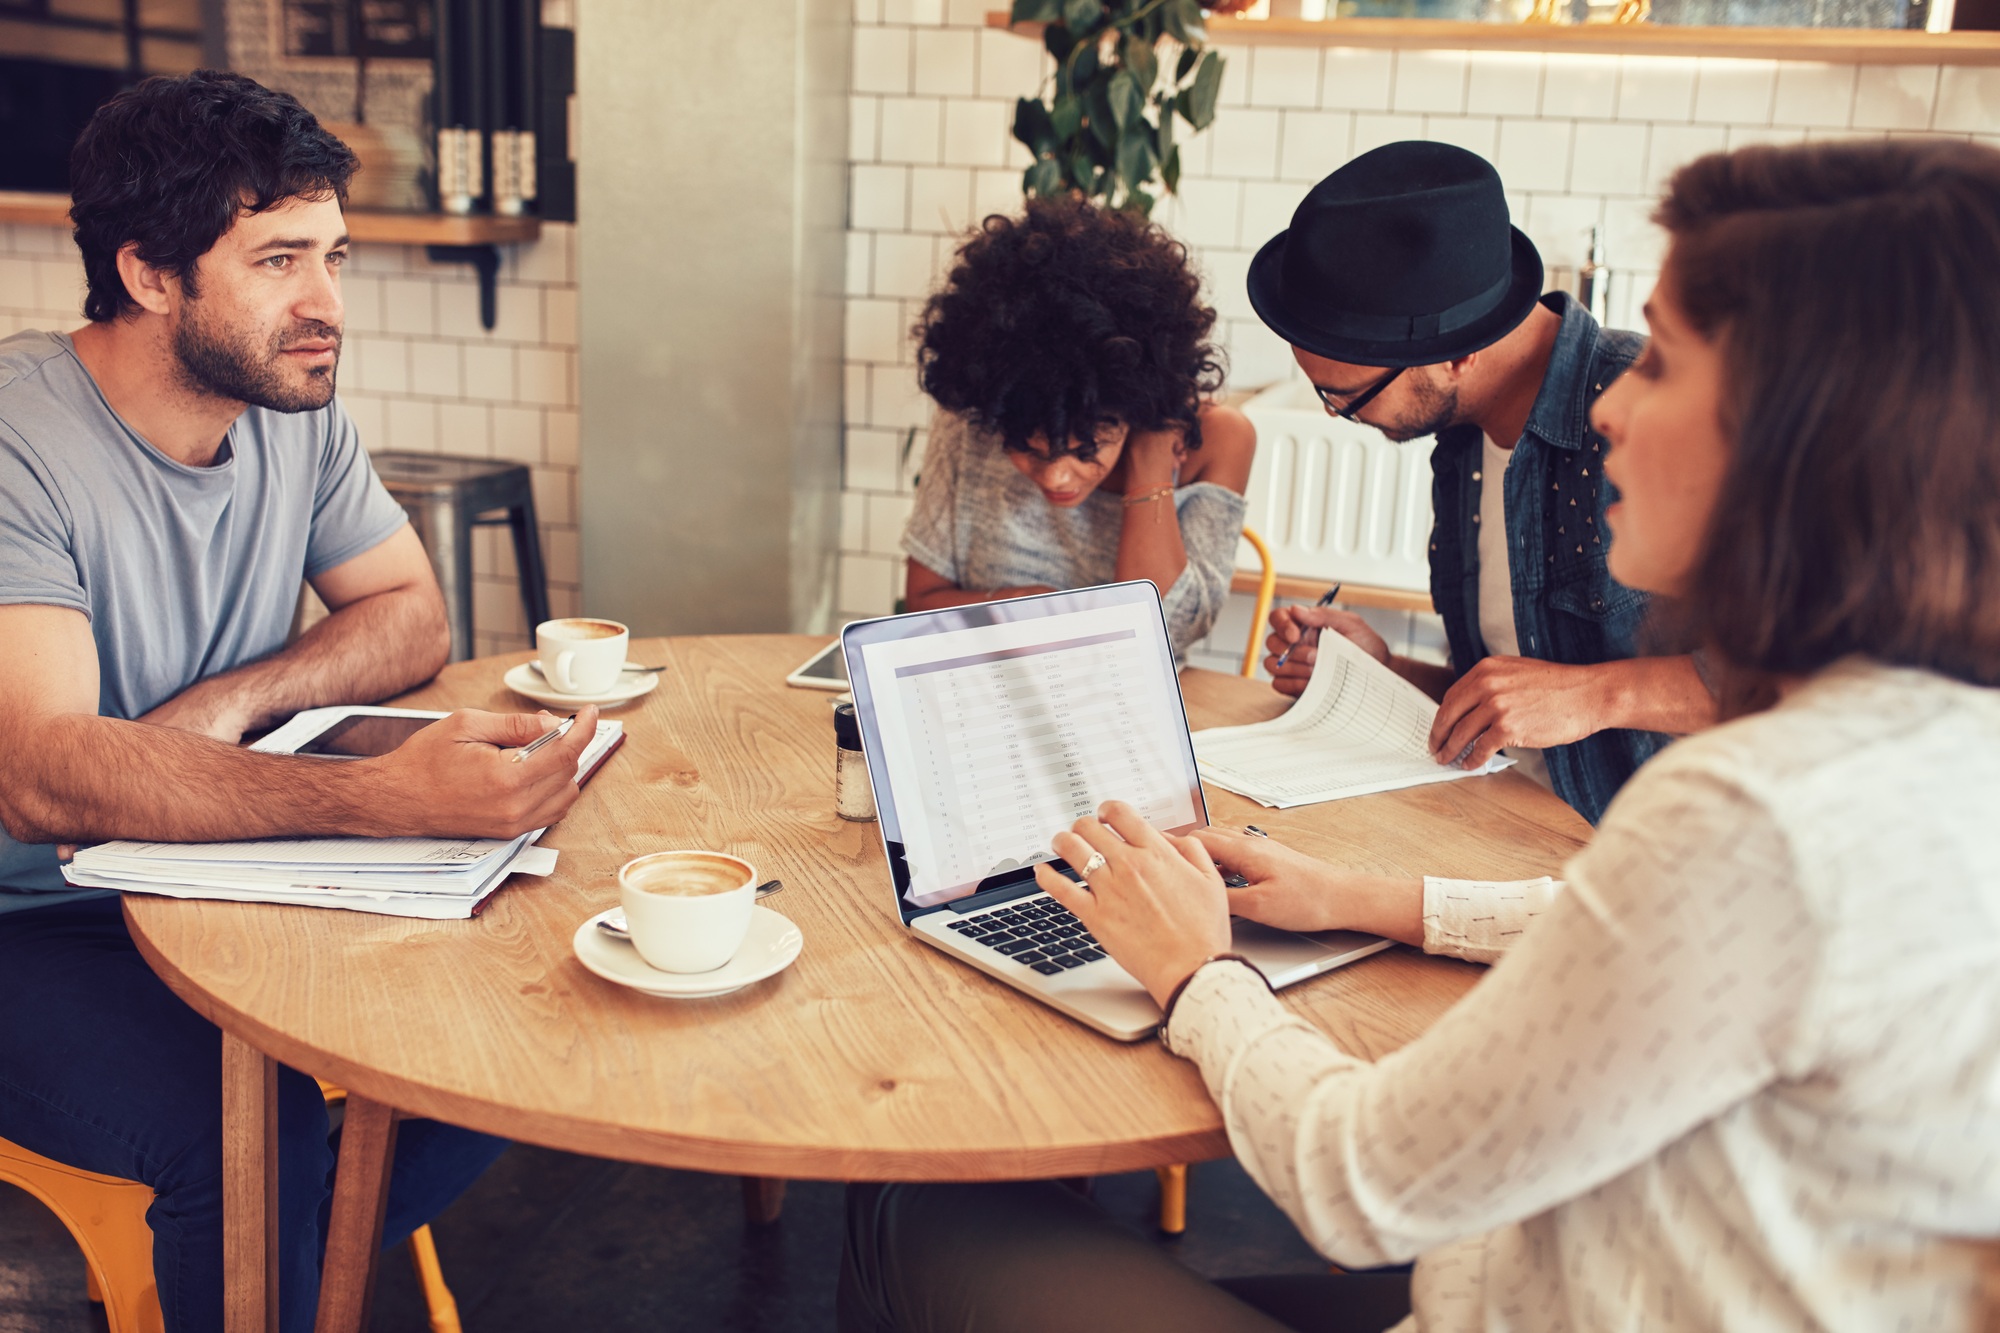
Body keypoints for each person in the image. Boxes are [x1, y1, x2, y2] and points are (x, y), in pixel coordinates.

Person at [840, 138, 2000, 1332]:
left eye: (1659, 359)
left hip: (1478, 1281)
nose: (1607, 399)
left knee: (912, 1212)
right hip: (1522, 1259)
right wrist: (1360, 896)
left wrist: (1196, 970)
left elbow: (1360, 1188)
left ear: (1806, 435)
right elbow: (1654, 935)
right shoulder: (1937, 752)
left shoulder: (1750, 816)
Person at [0, 73, 599, 1332]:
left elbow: (410, 614)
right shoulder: (17, 441)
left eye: (334, 255)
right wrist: (377, 799)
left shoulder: (288, 403)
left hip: (219, 872)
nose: (327, 305)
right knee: (248, 1126)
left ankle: (281, 1247)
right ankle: (267, 1240)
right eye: (279, 260)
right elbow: (43, 775)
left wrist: (227, 701)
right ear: (151, 275)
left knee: (513, 1010)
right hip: (37, 921)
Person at [1248, 142, 1714, 823]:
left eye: (1348, 396)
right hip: (1502, 825)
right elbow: (1521, 701)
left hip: (1642, 867)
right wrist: (1382, 672)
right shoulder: (1463, 439)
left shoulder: (1661, 413)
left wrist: (1599, 694)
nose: (1336, 415)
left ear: (1459, 352)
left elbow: (1814, 686)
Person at [900, 194, 1255, 660]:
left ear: (1135, 399)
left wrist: (1149, 466)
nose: (1055, 478)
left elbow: (1163, 634)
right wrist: (1010, 609)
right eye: (1027, 449)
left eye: (1085, 449)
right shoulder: (979, 416)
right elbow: (923, 603)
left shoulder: (1218, 440)